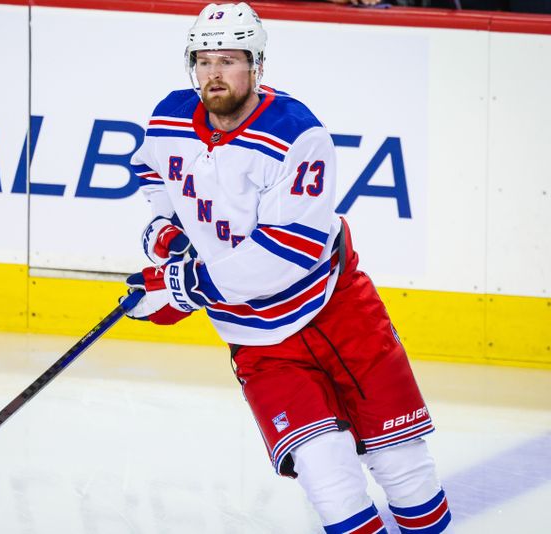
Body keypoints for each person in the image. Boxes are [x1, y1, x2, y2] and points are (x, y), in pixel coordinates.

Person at [123, 3, 453, 533]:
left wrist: (187, 287)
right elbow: (150, 171)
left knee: (404, 469)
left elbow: (286, 254)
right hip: (257, 338)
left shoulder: (297, 134)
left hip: (337, 311)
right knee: (327, 476)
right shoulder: (168, 117)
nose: (214, 74)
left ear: (256, 65)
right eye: (203, 61)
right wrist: (168, 232)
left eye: (228, 60)